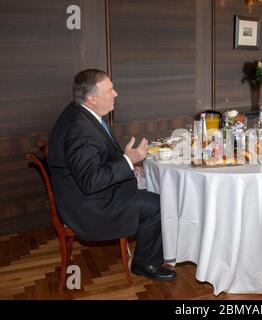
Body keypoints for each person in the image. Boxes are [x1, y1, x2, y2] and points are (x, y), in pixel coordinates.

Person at [48, 69, 176, 280]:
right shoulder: (79, 130)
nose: (115, 93)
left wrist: (125, 163)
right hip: (90, 206)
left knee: (151, 192)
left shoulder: (80, 113)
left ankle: (151, 255)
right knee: (158, 206)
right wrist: (127, 161)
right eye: (110, 90)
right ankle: (145, 264)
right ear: (92, 98)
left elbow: (95, 158)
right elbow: (90, 181)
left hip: (87, 195)